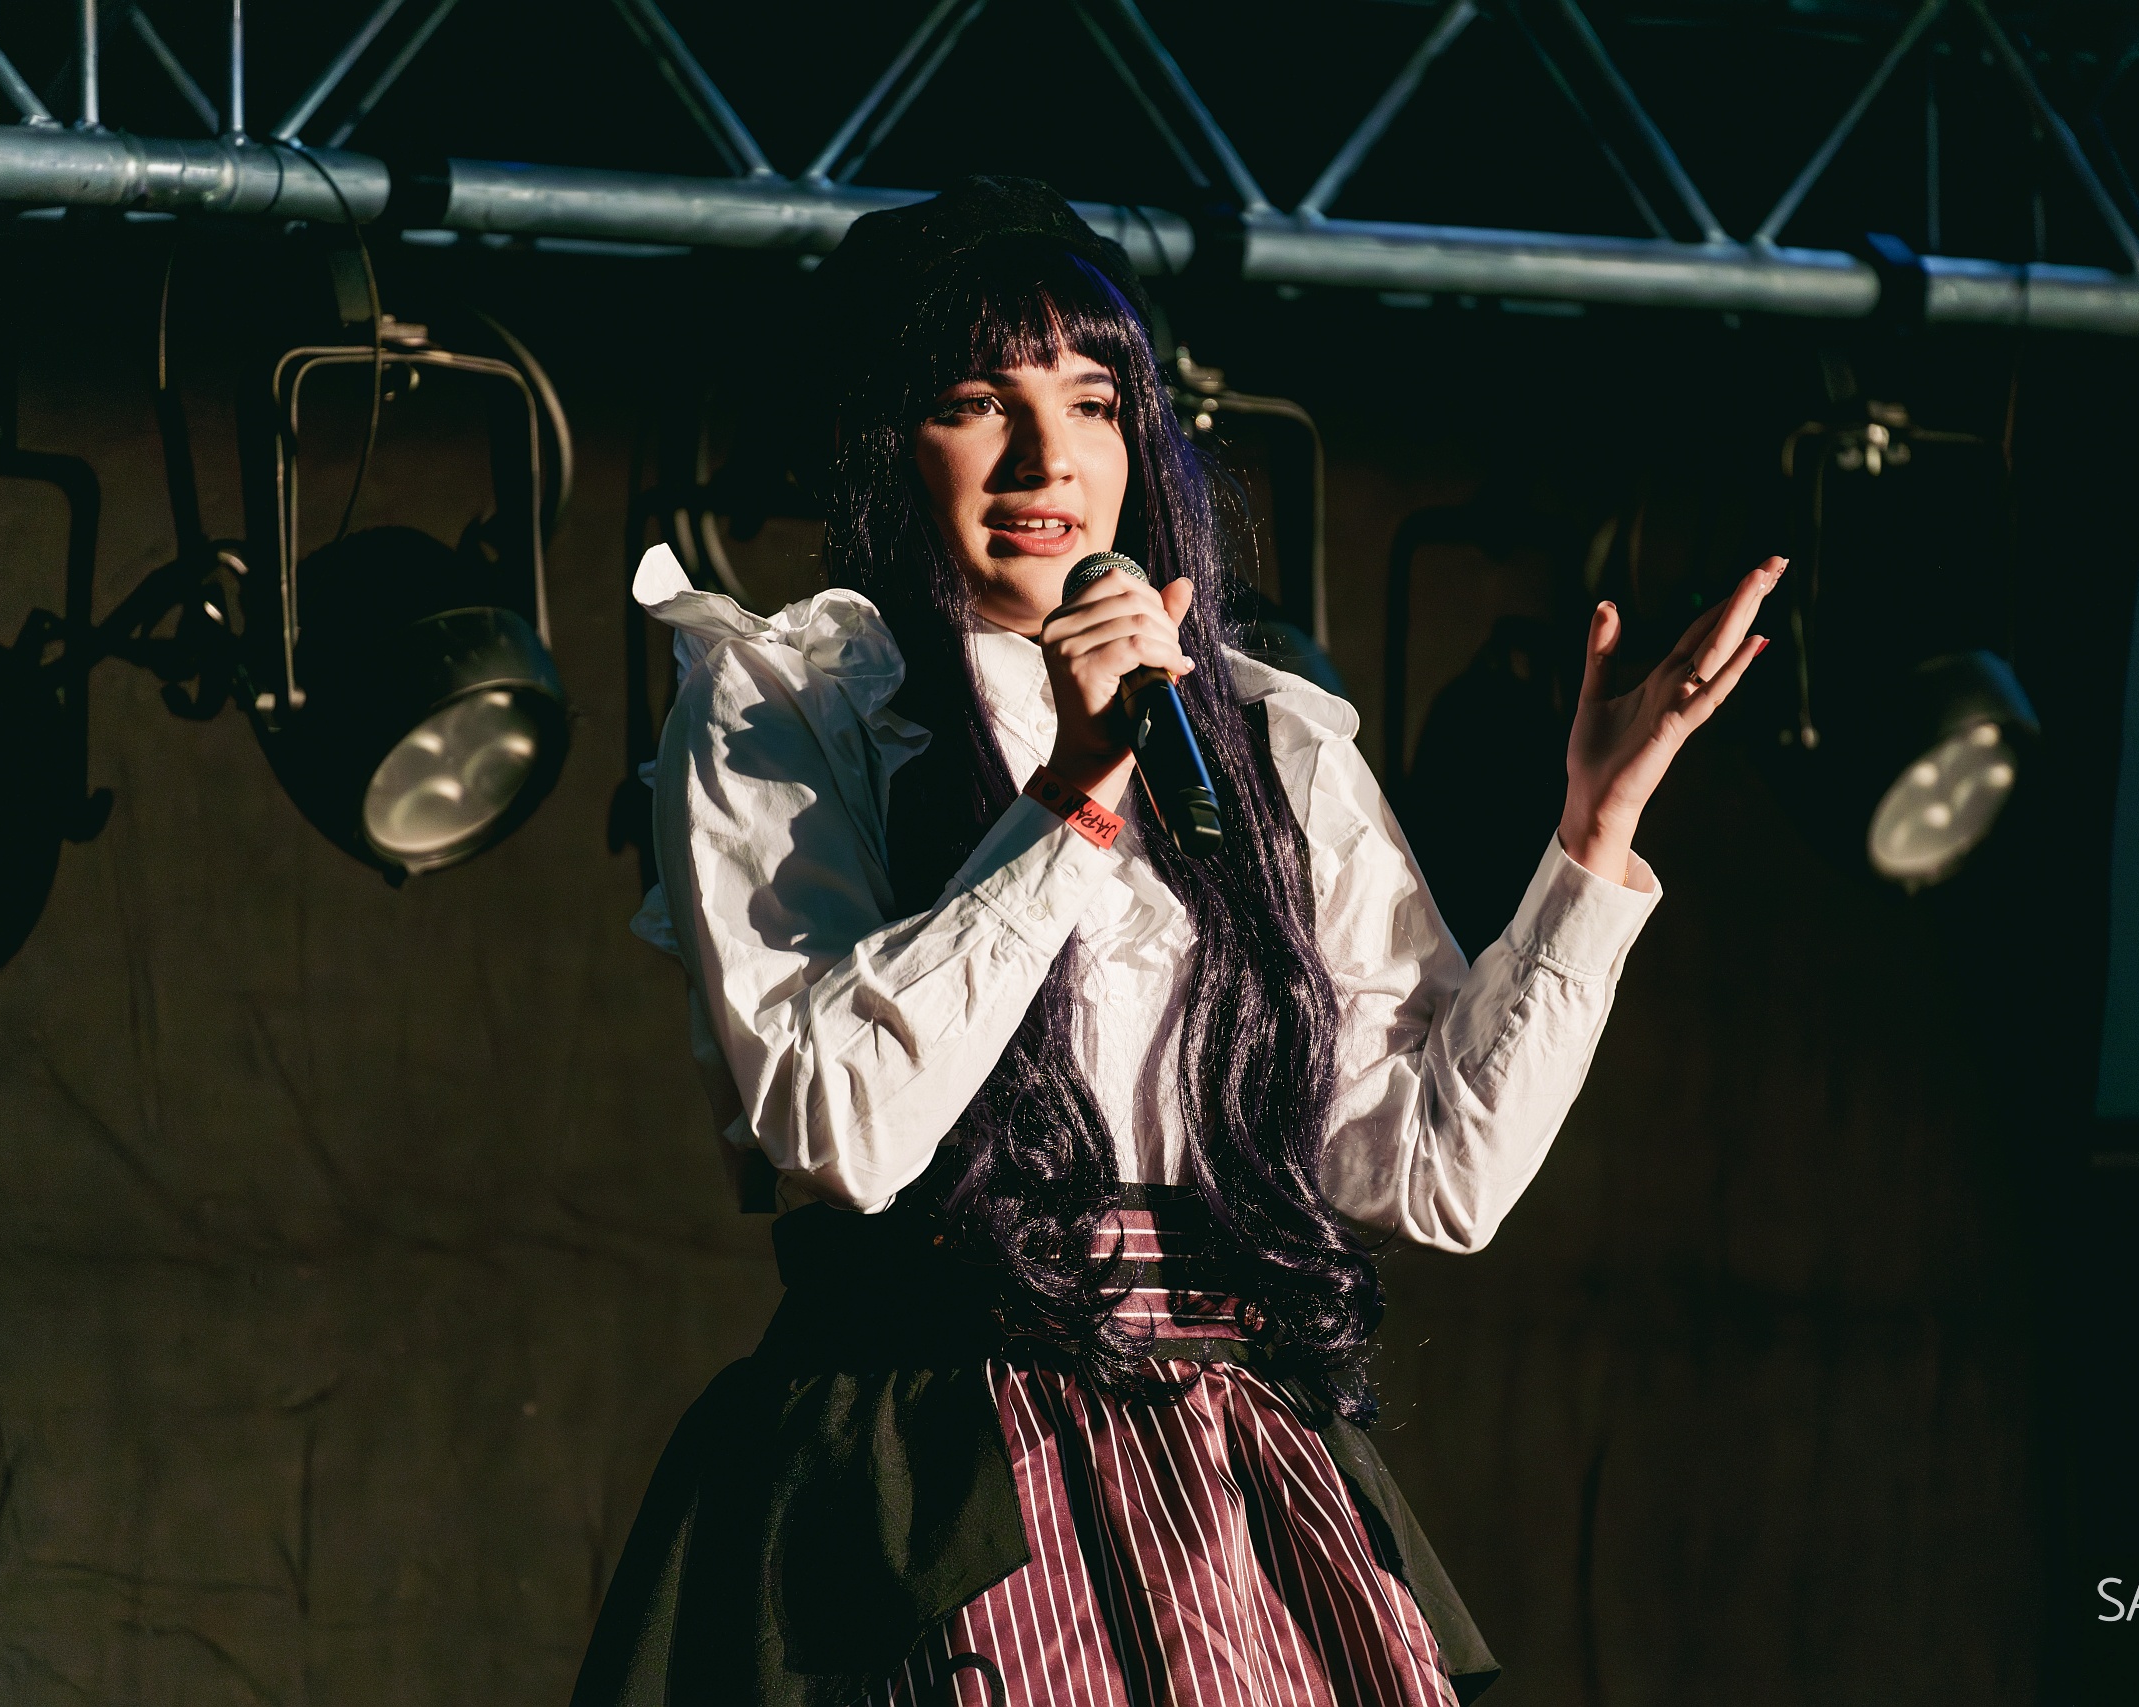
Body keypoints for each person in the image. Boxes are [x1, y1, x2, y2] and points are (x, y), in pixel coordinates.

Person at [576, 177, 1779, 1707]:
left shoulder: (1262, 737)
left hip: (1225, 1477)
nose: (1048, 459)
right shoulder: (787, 704)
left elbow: (1429, 1169)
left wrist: (1594, 842)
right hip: (935, 1471)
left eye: (1092, 404)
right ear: (891, 441)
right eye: (976, 403)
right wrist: (1075, 798)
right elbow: (841, 1128)